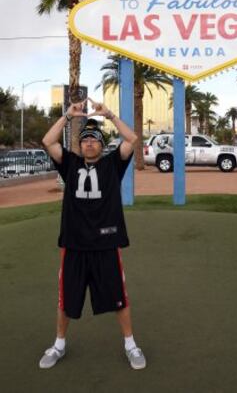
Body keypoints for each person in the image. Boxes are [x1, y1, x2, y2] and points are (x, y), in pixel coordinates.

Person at [39, 98, 146, 371]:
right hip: (74, 245)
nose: (89, 143)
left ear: (101, 144)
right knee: (67, 299)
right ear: (80, 144)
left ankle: (131, 345)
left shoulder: (113, 164)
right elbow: (48, 141)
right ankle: (59, 345)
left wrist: (109, 114)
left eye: (94, 139)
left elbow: (131, 138)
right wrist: (67, 116)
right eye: (85, 139)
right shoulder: (70, 164)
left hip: (106, 244)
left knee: (119, 297)